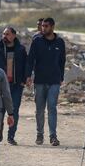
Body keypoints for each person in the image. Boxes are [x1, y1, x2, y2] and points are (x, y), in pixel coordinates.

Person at [26, 17, 66, 146]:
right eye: (42, 26)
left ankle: (53, 136)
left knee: (52, 108)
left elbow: (62, 61)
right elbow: (30, 59)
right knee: (39, 109)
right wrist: (28, 76)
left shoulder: (60, 42)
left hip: (54, 80)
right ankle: (40, 134)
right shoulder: (37, 41)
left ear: (52, 27)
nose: (43, 28)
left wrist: (61, 77)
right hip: (40, 80)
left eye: (46, 26)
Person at [0, 27, 28, 145]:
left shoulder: (21, 50)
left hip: (16, 86)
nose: (4, 36)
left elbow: (26, 66)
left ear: (14, 35)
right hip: (1, 86)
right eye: (3, 34)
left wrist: (24, 79)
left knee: (14, 111)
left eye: (7, 34)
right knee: (0, 110)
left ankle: (11, 136)